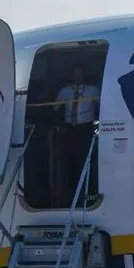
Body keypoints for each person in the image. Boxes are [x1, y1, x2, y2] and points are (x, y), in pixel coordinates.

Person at [54, 64, 99, 207]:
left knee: (88, 163)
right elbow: (54, 109)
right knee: (70, 164)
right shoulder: (64, 91)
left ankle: (89, 197)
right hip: (70, 131)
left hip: (86, 130)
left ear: (84, 75)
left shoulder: (93, 90)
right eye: (75, 74)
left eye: (80, 74)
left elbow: (103, 106)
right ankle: (71, 198)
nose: (77, 76)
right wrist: (59, 127)